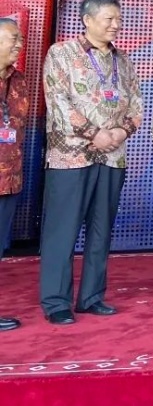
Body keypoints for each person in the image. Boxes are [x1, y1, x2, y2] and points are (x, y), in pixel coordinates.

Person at [39, 0, 143, 325]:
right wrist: (93, 133)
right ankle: (56, 301)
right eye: (109, 18)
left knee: (101, 231)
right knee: (62, 231)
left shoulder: (123, 60)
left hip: (112, 157)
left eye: (118, 19)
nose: (116, 25)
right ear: (87, 19)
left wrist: (121, 132)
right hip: (71, 157)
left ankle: (92, 296)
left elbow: (137, 105)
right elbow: (58, 102)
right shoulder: (61, 53)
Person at [0, 19, 28, 331]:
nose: (18, 45)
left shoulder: (18, 80)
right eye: (12, 39)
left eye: (19, 39)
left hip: (9, 178)